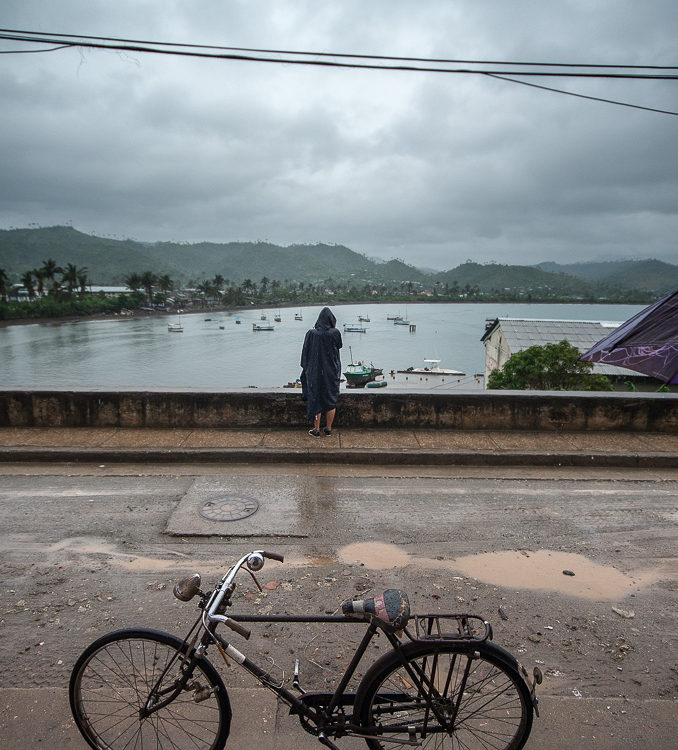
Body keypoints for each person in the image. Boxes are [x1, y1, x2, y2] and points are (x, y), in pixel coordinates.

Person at [300, 307, 342, 437]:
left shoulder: (311, 333)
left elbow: (305, 352)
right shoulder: (335, 333)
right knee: (331, 399)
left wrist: (306, 369)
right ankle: (328, 428)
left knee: (315, 399)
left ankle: (316, 429)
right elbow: (339, 345)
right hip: (331, 371)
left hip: (315, 372)